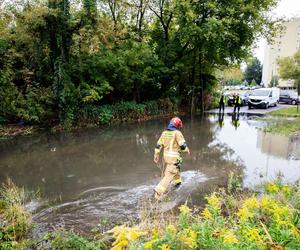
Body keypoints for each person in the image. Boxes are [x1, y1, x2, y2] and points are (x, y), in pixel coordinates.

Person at [153, 117, 190, 200]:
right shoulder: (177, 133)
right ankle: (158, 193)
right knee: (169, 175)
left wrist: (156, 154)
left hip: (166, 157)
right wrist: (187, 151)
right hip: (174, 158)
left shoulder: (164, 133)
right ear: (177, 125)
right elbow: (183, 146)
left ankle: (178, 182)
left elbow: (158, 145)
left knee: (175, 169)